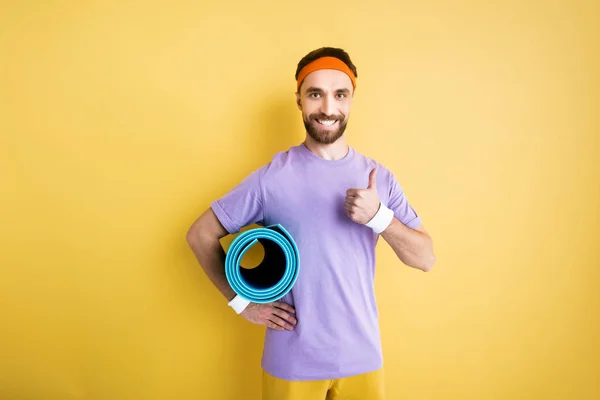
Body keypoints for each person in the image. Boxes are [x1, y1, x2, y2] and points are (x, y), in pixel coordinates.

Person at [186, 47, 436, 400]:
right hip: (292, 361)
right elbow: (200, 234)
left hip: (362, 358)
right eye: (315, 94)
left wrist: (380, 217)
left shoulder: (377, 178)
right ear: (300, 100)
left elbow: (425, 258)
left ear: (351, 100)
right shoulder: (270, 179)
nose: (328, 109)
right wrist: (242, 303)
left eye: (340, 95)